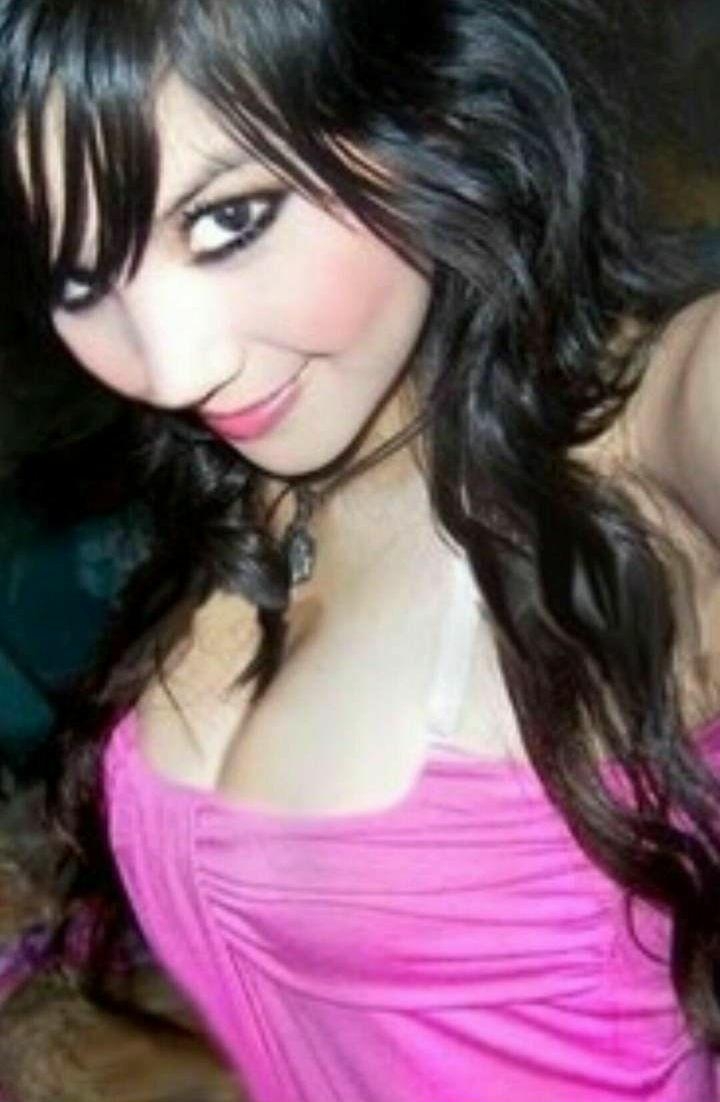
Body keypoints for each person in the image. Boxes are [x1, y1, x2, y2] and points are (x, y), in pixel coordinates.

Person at [1, 1, 720, 1099]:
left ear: (431, 105)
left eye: (230, 219)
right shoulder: (261, 468)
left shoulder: (643, 445)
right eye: (80, 275)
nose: (173, 371)